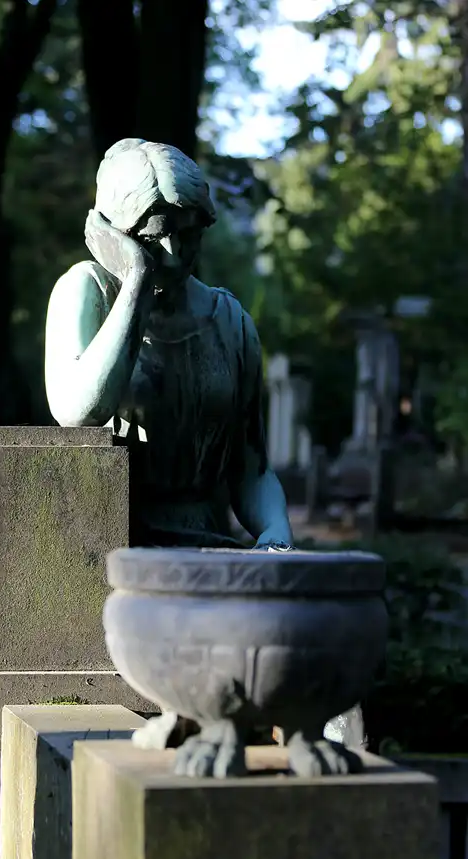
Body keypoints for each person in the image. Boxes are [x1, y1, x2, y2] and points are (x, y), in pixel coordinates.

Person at [45, 138, 293, 551]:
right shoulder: (88, 291)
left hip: (206, 547)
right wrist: (137, 279)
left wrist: (276, 533)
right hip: (110, 548)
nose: (174, 255)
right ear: (112, 234)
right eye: (152, 238)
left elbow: (252, 469)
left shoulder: (231, 322)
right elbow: (78, 412)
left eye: (188, 234)